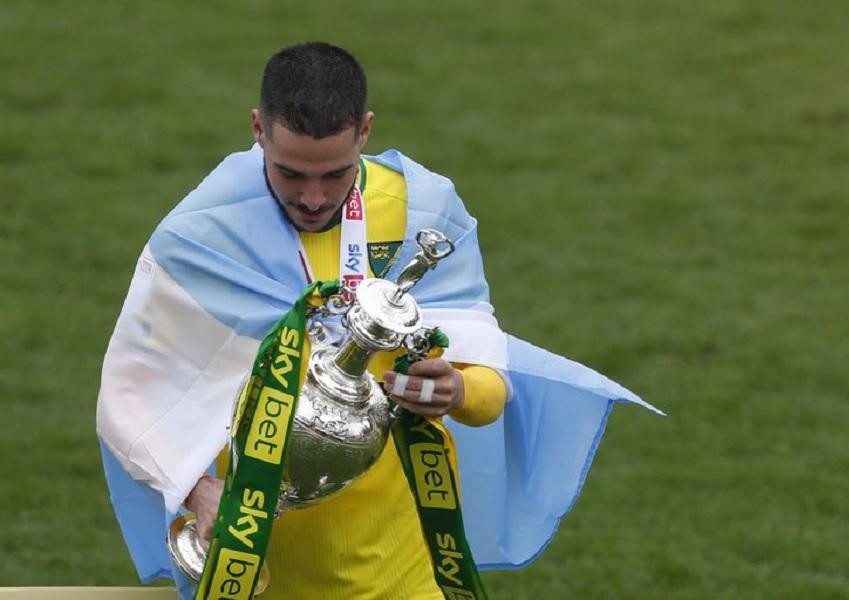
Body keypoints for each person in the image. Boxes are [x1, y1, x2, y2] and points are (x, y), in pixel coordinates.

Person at [97, 42, 657, 600]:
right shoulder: (202, 235)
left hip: (402, 569)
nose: (313, 198)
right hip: (256, 570)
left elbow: (489, 389)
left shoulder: (424, 215)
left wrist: (457, 389)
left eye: (335, 175)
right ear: (257, 130)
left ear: (365, 131)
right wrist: (197, 491)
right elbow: (130, 393)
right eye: (290, 174)